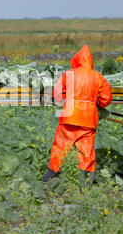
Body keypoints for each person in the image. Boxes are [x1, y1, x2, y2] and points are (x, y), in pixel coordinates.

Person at [42, 44, 113, 183]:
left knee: (60, 145)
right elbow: (106, 98)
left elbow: (57, 95)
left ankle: (52, 173)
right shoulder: (98, 77)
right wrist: (94, 103)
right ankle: (86, 179)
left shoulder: (68, 74)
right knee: (86, 149)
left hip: (69, 116)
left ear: (77, 60)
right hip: (88, 119)